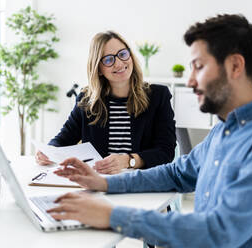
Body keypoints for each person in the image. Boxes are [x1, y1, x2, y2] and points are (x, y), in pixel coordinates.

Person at [47, 14, 252, 247]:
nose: (189, 81)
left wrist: (110, 215)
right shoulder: (225, 130)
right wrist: (104, 183)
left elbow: (219, 232)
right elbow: (176, 173)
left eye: (198, 67)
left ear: (235, 66)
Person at [35, 31, 176, 174]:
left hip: (142, 181)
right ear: (99, 69)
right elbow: (63, 139)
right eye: (108, 60)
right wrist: (48, 152)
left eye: (122, 54)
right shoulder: (87, 100)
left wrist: (128, 161)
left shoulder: (158, 96)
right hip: (100, 182)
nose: (119, 63)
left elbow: (166, 151)